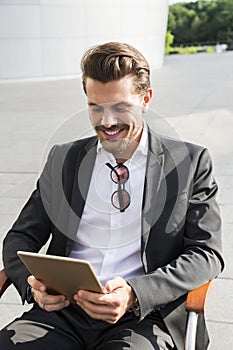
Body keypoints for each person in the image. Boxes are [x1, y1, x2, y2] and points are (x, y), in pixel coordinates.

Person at [0, 42, 224, 349]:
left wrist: (135, 292)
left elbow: (206, 254)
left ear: (146, 99)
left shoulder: (190, 163)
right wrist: (33, 284)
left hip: (145, 317)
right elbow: (19, 238)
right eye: (95, 107)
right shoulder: (64, 160)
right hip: (63, 314)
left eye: (120, 107)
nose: (106, 122)